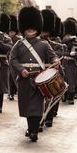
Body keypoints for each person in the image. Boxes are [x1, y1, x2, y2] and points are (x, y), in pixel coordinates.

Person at [10, 7, 59, 142]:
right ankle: (31, 128)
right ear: (24, 29)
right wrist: (21, 70)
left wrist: (55, 61)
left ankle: (34, 131)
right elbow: (12, 59)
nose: (30, 30)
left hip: (38, 79)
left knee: (36, 106)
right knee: (27, 106)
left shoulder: (43, 44)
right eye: (28, 28)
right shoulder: (19, 44)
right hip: (25, 79)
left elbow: (52, 56)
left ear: (37, 28)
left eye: (33, 28)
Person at [62, 18, 77, 105]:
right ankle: (65, 95)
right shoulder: (62, 40)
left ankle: (70, 96)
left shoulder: (76, 41)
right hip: (63, 62)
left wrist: (74, 54)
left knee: (71, 80)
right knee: (63, 80)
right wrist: (68, 53)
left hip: (71, 63)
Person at [7, 15, 21, 100]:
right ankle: (10, 93)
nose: (11, 33)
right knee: (10, 78)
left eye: (12, 32)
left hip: (16, 61)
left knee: (15, 77)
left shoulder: (18, 39)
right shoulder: (7, 38)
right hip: (9, 60)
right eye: (10, 32)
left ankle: (16, 91)